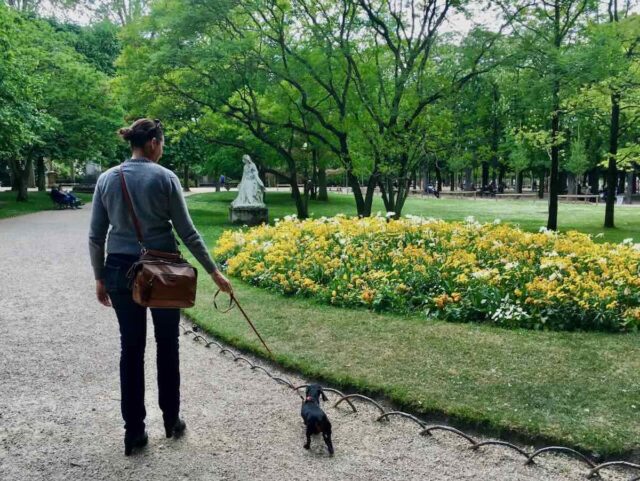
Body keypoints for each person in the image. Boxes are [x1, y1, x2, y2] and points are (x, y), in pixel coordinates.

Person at [88, 118, 232, 456]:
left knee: (131, 350)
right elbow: (188, 232)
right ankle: (171, 420)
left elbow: (96, 236)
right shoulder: (165, 178)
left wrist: (99, 277)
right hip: (164, 272)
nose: (162, 149)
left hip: (120, 271)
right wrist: (213, 272)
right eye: (162, 143)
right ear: (153, 142)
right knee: (168, 346)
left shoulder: (107, 179)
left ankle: (134, 433)